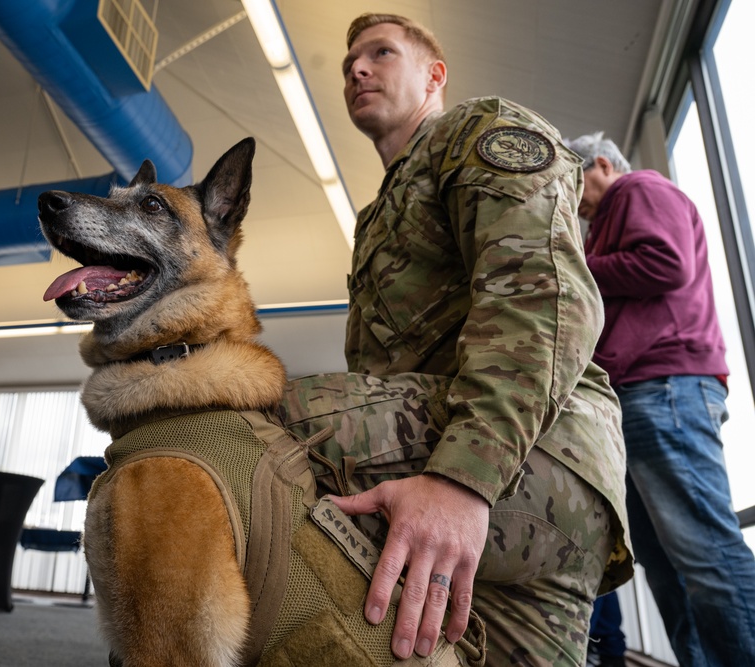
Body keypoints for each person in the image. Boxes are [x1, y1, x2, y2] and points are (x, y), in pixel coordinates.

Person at [282, 12, 633, 666]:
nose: (357, 69)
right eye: (349, 63)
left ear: (434, 75)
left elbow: (545, 294)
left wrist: (462, 482)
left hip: (530, 457)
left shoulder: (474, 131)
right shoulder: (375, 217)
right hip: (513, 501)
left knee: (248, 425)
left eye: (381, 53)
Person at [564, 131, 755, 666]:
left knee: (705, 555)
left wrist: (577, 269)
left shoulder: (637, 188)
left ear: (600, 163)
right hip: (640, 396)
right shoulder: (605, 225)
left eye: (574, 181)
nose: (573, 200)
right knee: (665, 564)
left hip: (663, 387)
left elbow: (666, 263)